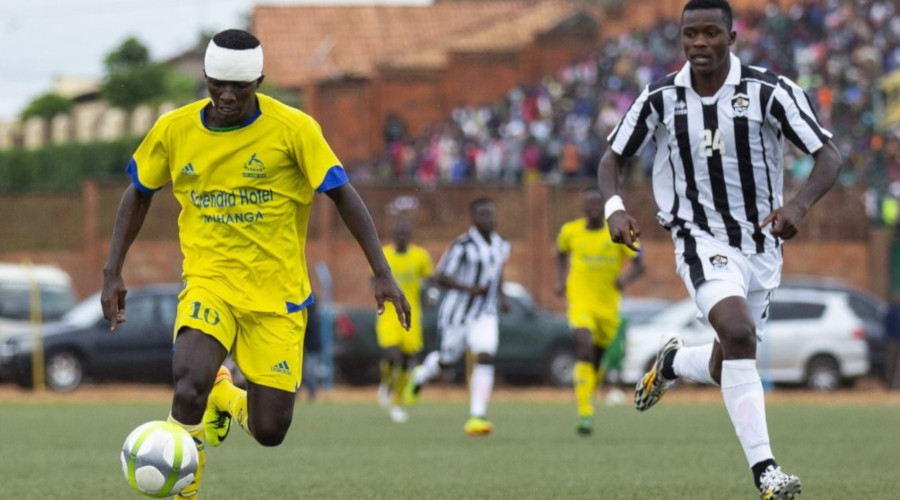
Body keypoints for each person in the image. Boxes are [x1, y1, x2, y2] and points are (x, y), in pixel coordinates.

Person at [100, 29, 410, 499]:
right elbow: (138, 193)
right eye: (217, 83)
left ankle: (224, 396)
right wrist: (112, 270)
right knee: (187, 385)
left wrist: (382, 272)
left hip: (276, 296)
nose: (226, 95)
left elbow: (343, 194)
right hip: (210, 282)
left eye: (239, 87)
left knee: (270, 429)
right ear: (205, 76)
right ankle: (186, 485)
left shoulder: (295, 130)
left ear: (259, 81)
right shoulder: (174, 130)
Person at [597, 1, 842, 498]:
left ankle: (671, 364)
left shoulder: (768, 92)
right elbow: (613, 158)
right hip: (698, 235)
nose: (699, 44)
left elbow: (828, 156)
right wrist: (614, 208)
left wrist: (798, 205)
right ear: (681, 38)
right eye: (691, 35)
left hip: (761, 244)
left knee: (724, 360)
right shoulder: (660, 97)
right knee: (737, 331)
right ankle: (766, 473)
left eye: (711, 33)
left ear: (732, 37)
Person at [404, 198, 510, 436]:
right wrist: (469, 289)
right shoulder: (462, 246)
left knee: (485, 354)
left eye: (490, 214)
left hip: (485, 313)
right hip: (458, 315)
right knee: (447, 361)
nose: (488, 219)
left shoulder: (502, 244)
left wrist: (501, 296)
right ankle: (420, 375)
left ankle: (477, 416)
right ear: (473, 218)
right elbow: (440, 276)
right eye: (482, 215)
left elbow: (497, 272)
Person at [555, 186, 645, 436]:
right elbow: (560, 252)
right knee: (584, 348)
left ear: (605, 208)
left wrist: (625, 280)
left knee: (596, 358)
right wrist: (561, 280)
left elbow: (640, 263)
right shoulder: (570, 231)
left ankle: (588, 398)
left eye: (599, 203)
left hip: (608, 307)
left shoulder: (616, 231)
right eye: (590, 203)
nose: (594, 208)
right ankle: (585, 411)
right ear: (584, 207)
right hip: (580, 302)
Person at [375, 219, 434, 423]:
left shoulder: (420, 256)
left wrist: (431, 297)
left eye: (404, 233)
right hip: (389, 314)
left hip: (410, 313)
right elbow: (373, 279)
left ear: (409, 235)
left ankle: (396, 402)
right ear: (393, 234)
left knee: (408, 360)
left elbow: (429, 281)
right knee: (392, 354)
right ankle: (385, 382)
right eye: (398, 232)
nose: (401, 236)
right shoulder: (384, 254)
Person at [300, 300, 322, 401]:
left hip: (310, 345)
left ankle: (311, 391)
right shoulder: (311, 303)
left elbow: (309, 324)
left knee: (310, 369)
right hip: (308, 344)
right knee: (307, 369)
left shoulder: (308, 305)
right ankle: (308, 391)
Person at [883, 292, 900, 391]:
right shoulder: (891, 311)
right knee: (891, 364)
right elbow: (886, 325)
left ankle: (896, 386)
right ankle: (890, 386)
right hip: (892, 341)